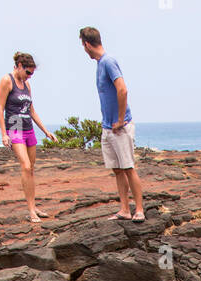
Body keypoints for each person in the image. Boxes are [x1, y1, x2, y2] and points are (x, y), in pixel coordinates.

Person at [79, 27, 144, 221]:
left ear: (87, 44)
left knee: (128, 167)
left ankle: (139, 209)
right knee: (117, 169)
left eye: (83, 46)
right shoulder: (99, 64)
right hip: (107, 127)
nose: (84, 50)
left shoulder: (108, 62)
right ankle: (125, 209)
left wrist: (120, 119)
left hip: (119, 127)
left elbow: (122, 90)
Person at [0, 53, 55, 224]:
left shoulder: (27, 84)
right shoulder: (7, 81)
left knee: (31, 168)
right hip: (14, 127)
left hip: (28, 127)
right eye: (28, 72)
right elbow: (0, 108)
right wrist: (4, 134)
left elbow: (31, 110)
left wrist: (45, 131)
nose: (30, 76)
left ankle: (34, 205)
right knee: (26, 166)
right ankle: (30, 210)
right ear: (19, 65)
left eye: (32, 73)